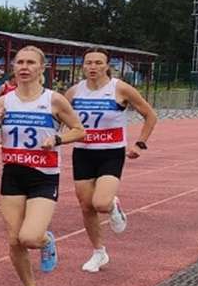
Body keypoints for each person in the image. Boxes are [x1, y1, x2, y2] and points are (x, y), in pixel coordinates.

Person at [0, 45, 86, 286]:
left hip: (43, 176)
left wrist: (57, 138)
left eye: (30, 63)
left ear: (42, 68)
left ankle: (46, 241)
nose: (24, 67)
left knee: (30, 237)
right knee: (14, 240)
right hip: (13, 175)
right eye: (20, 62)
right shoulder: (3, 102)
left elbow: (79, 130)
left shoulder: (54, 100)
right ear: (13, 68)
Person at [68, 49, 159, 273]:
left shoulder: (120, 88)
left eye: (98, 63)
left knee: (100, 203)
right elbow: (56, 115)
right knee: (86, 206)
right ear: (83, 66)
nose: (93, 67)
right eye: (89, 63)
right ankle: (99, 252)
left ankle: (113, 205)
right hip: (83, 153)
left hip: (111, 153)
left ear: (107, 66)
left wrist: (140, 144)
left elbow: (150, 115)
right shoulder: (74, 91)